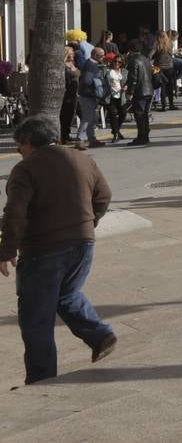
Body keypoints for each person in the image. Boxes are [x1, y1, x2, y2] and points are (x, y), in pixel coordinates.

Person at [0, 116, 118, 385]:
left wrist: (6, 249)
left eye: (20, 147)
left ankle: (41, 380)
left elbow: (15, 212)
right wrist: (89, 223)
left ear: (28, 142)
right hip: (83, 244)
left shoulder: (26, 169)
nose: (20, 152)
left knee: (36, 318)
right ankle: (100, 335)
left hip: (43, 249)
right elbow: (104, 196)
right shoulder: (83, 159)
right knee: (66, 294)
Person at [124, 40, 155, 146]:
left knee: (139, 115)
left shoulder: (133, 60)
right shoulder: (146, 59)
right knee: (145, 114)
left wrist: (130, 92)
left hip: (140, 91)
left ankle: (141, 136)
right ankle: (145, 135)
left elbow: (133, 78)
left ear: (130, 50)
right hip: (149, 90)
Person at [75, 47, 106, 151]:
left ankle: (92, 139)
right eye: (102, 55)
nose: (103, 57)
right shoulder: (90, 66)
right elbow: (88, 81)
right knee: (88, 117)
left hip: (88, 94)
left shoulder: (90, 64)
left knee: (91, 117)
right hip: (87, 95)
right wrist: (98, 86)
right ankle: (80, 139)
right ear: (96, 56)